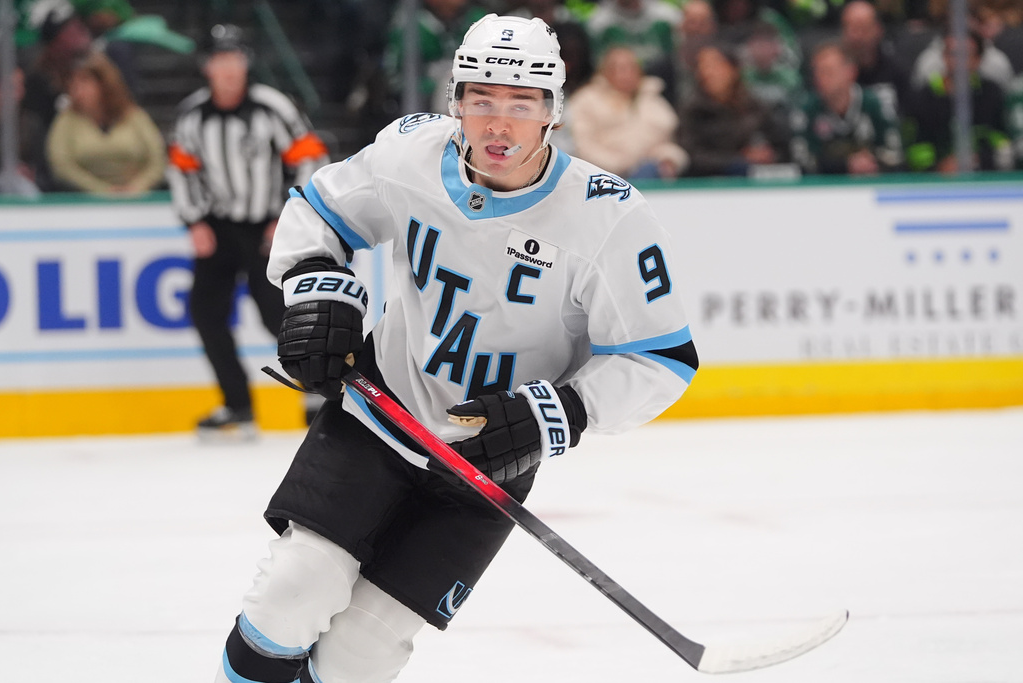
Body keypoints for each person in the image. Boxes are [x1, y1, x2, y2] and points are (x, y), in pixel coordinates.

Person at [213, 13, 698, 683]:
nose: (499, 123)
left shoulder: (610, 217)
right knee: (291, 594)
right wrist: (319, 293)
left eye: (521, 104)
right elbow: (319, 213)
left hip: (486, 468)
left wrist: (560, 412)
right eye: (481, 99)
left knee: (362, 656)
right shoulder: (409, 154)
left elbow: (661, 356)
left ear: (552, 112)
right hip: (378, 416)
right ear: (455, 102)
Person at [166, 24, 330, 437]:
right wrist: (194, 221)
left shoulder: (272, 107)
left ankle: (314, 388)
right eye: (220, 60)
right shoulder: (193, 115)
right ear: (207, 67)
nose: (228, 68)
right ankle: (237, 405)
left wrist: (290, 214)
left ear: (245, 62)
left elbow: (311, 157)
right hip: (219, 227)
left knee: (275, 312)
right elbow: (181, 169)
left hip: (267, 225)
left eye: (234, 58)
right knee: (206, 313)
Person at [44, 50, 165, 194]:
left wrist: (137, 188)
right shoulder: (66, 120)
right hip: (85, 201)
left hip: (136, 200)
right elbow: (62, 166)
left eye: (84, 81)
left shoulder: (134, 116)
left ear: (104, 84)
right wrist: (102, 190)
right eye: (73, 82)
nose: (77, 89)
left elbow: (157, 160)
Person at [567, 45, 689, 179]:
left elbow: (668, 142)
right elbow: (581, 145)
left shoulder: (654, 101)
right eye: (619, 68)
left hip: (649, 174)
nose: (626, 73)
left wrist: (669, 159)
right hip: (600, 176)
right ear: (605, 71)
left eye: (631, 67)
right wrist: (621, 167)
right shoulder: (585, 101)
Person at [903, 30, 1013, 172]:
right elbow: (913, 146)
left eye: (965, 55)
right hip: (934, 180)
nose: (958, 61)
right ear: (944, 57)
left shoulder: (991, 93)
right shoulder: (922, 97)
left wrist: (979, 159)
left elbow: (1003, 141)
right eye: (953, 54)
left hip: (984, 177)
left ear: (978, 59)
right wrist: (940, 166)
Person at [791, 40, 904, 175]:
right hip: (824, 191)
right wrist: (844, 166)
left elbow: (895, 153)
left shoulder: (874, 105)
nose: (820, 78)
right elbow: (801, 160)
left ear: (850, 72)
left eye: (828, 71)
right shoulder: (806, 111)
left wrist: (872, 161)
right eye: (817, 72)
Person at [678, 42, 790, 176]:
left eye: (715, 65)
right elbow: (691, 154)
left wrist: (768, 154)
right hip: (707, 183)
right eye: (702, 66)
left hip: (753, 182)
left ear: (734, 69)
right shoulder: (692, 111)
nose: (708, 72)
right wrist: (737, 161)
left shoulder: (756, 108)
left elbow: (781, 146)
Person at [840, 0, 911, 117]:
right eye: (851, 29)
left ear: (878, 30)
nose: (857, 36)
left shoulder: (898, 71)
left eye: (862, 28)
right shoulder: (835, 73)